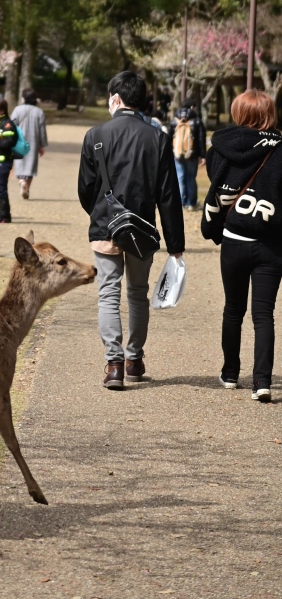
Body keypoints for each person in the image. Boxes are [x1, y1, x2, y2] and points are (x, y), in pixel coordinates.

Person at [78, 70, 185, 390]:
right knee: (138, 293)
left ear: (115, 99)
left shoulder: (95, 135)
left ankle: (114, 366)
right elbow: (168, 196)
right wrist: (175, 244)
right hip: (142, 230)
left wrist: (100, 214)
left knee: (108, 294)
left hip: (105, 228)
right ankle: (134, 360)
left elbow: (85, 189)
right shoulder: (157, 138)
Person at [200, 89, 282, 402]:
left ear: (238, 113)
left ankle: (230, 373)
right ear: (269, 114)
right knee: (264, 314)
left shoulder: (221, 148)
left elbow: (214, 179)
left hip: (234, 239)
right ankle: (261, 382)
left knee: (233, 309)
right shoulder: (280, 149)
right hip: (271, 244)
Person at [167, 105, 207, 210]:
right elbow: (201, 139)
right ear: (192, 107)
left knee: (180, 178)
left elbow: (168, 137)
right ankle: (192, 203)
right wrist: (203, 156)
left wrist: (169, 153)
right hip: (192, 155)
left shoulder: (174, 121)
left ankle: (181, 202)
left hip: (177, 153)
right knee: (191, 178)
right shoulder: (197, 121)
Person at [11, 89, 48, 199]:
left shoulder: (17, 110)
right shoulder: (39, 112)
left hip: (19, 141)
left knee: (19, 163)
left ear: (23, 98)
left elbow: (11, 125)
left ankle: (22, 181)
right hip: (33, 141)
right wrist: (42, 145)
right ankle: (27, 188)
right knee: (31, 165)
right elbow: (42, 130)